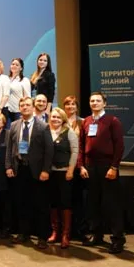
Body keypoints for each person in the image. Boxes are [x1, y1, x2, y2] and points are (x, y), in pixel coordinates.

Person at [79, 92, 125, 254]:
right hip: (90, 167)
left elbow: (119, 145)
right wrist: (81, 166)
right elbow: (81, 145)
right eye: (92, 101)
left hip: (107, 167)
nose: (95, 103)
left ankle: (117, 239)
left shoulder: (113, 121)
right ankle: (96, 235)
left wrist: (114, 167)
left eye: (98, 101)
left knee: (111, 204)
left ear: (104, 103)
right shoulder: (86, 121)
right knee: (93, 203)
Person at [5, 96, 53, 249]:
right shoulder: (14, 125)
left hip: (37, 171)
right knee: (21, 203)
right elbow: (9, 148)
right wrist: (8, 166)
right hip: (19, 169)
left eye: (27, 105)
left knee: (40, 205)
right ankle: (23, 233)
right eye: (22, 105)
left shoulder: (43, 126)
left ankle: (42, 237)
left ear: (33, 107)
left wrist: (45, 170)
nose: (24, 107)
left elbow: (49, 150)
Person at [47, 107, 78, 249]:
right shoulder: (46, 131)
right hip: (50, 172)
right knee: (53, 203)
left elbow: (75, 151)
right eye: (53, 117)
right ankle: (55, 232)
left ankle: (65, 234)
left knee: (65, 203)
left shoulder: (69, 132)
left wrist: (70, 170)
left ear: (63, 119)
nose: (55, 119)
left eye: (58, 117)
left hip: (65, 172)